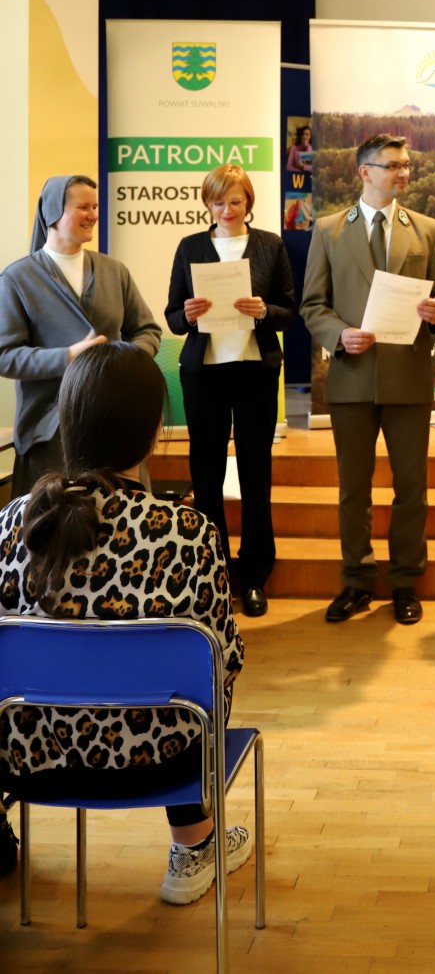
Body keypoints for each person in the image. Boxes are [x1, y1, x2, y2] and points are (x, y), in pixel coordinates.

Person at [0, 341, 250, 906]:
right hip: (160, 761)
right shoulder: (188, 532)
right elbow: (225, 664)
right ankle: (194, 843)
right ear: (155, 429)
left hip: (29, 760)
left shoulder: (14, 524)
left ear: (68, 421)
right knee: (201, 676)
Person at [301, 133, 435, 626]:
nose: (403, 173)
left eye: (406, 165)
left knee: (412, 487)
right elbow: (312, 305)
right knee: (354, 490)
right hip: (351, 378)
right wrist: (339, 334)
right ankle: (357, 579)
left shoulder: (427, 229)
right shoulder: (328, 230)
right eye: (392, 166)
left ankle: (405, 580)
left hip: (408, 379)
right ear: (364, 171)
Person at [164, 165, 297, 618]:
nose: (227, 210)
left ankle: (255, 575)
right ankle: (213, 574)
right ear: (207, 204)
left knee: (257, 473)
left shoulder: (270, 245)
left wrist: (264, 311)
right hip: (204, 374)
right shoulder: (190, 246)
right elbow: (173, 317)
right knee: (206, 476)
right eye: (218, 202)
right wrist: (187, 314)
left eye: (235, 201)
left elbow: (289, 311)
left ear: (248, 202)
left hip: (255, 370)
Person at [0, 173, 161, 498]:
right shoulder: (18, 278)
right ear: (52, 213)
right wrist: (69, 356)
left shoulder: (115, 271)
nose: (93, 215)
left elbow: (147, 330)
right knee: (54, 520)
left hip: (116, 420)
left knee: (124, 517)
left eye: (95, 207)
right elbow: (6, 356)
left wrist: (121, 362)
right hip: (51, 432)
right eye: (83, 207)